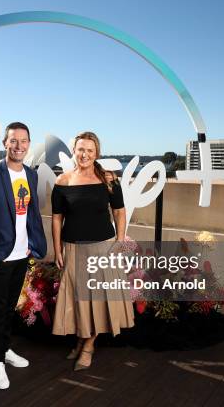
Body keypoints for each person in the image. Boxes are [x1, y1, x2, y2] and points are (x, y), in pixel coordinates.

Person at [0, 122, 47, 390]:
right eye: (13, 141)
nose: (18, 146)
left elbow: (30, 213)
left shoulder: (31, 174)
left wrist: (33, 244)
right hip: (0, 255)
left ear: (29, 144)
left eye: (23, 141)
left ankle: (4, 349)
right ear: (5, 143)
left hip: (22, 252)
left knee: (10, 306)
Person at [51, 131, 134, 371]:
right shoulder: (62, 182)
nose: (84, 154)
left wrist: (119, 241)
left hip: (103, 248)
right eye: (80, 149)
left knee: (99, 299)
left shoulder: (108, 179)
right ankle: (81, 338)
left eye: (89, 150)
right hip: (73, 248)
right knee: (79, 300)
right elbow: (57, 218)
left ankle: (88, 345)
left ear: (96, 153)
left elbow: (119, 211)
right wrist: (57, 249)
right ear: (74, 152)